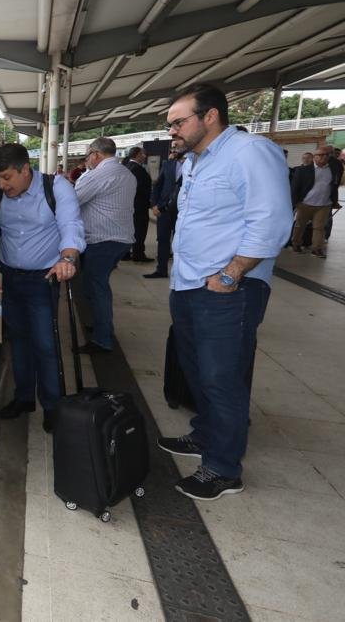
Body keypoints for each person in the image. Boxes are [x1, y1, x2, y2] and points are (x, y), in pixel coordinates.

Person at [158, 83, 292, 501]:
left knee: (222, 376)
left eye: (178, 123)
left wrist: (231, 274)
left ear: (210, 116)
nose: (173, 132)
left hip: (228, 289)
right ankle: (205, 436)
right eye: (170, 125)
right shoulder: (195, 161)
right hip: (190, 284)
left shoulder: (249, 152)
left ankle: (223, 468)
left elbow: (271, 221)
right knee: (196, 369)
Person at [0, 143, 85, 432]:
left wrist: (67, 258)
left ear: (25, 170)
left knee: (45, 344)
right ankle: (24, 398)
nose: (1, 185)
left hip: (43, 279)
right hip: (9, 278)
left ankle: (52, 406)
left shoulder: (56, 188)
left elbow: (71, 226)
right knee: (19, 343)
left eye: (6, 178)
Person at [73, 137, 136, 354]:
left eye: (88, 155)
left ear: (96, 154)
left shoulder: (101, 173)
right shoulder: (124, 172)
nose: (87, 160)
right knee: (94, 286)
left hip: (103, 240)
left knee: (96, 287)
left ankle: (102, 339)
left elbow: (73, 200)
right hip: (119, 239)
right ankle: (102, 325)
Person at [290, 144, 342, 257]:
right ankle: (296, 243)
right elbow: (295, 188)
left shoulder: (333, 170)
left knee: (319, 227)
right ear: (315, 157)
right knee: (300, 225)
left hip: (324, 204)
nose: (324, 157)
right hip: (305, 204)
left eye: (327, 155)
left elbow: (334, 186)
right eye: (321, 155)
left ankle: (317, 249)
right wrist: (296, 202)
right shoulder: (303, 170)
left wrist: (335, 201)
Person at [144, 149, 184, 279]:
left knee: (182, 242)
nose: (174, 150)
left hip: (184, 211)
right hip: (164, 210)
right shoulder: (168, 164)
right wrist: (154, 204)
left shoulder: (197, 164)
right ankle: (161, 269)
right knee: (162, 239)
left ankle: (181, 273)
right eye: (173, 148)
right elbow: (158, 185)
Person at [122, 147, 154, 263]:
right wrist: (151, 201)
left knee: (128, 230)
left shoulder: (126, 167)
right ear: (136, 155)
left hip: (128, 205)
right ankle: (138, 254)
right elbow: (142, 189)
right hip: (139, 205)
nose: (145, 156)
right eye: (142, 154)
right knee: (140, 230)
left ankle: (125, 253)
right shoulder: (138, 169)